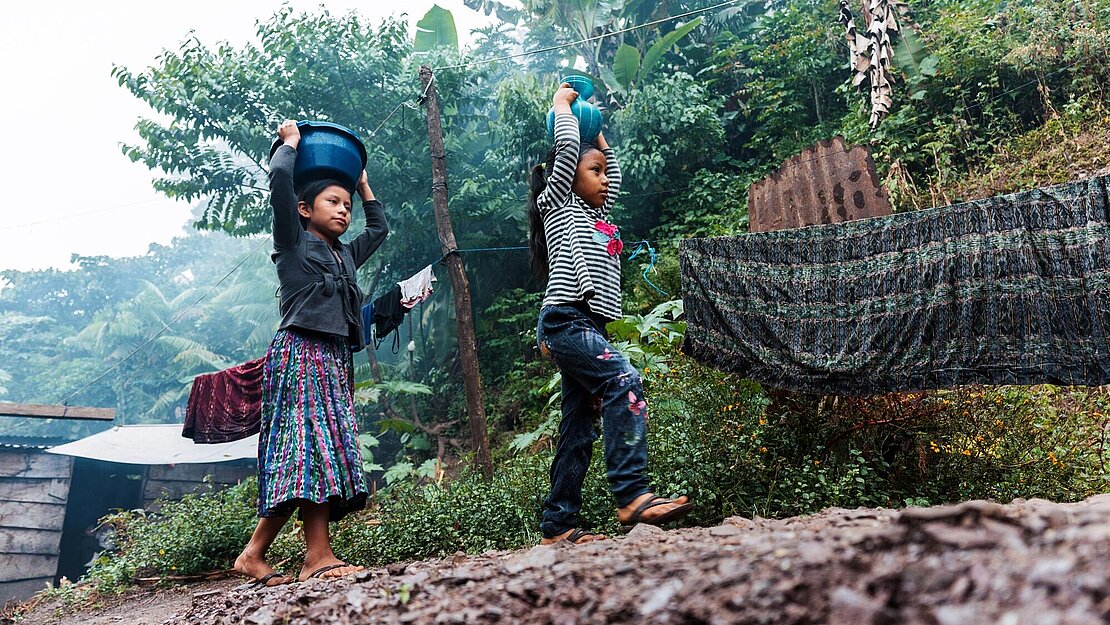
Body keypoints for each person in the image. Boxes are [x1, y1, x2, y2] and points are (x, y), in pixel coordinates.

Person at [528, 84, 693, 545]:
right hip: (565, 320)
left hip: (589, 326)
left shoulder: (601, 217)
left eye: (603, 172)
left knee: (578, 429)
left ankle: (558, 526)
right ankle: (631, 492)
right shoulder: (558, 203)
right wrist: (562, 109)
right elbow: (565, 151)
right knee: (625, 380)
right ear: (565, 177)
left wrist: (598, 138)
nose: (603, 179)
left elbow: (612, 173)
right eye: (593, 172)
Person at [234, 119, 388, 586]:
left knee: (314, 452)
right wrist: (291, 144)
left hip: (334, 358)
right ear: (303, 209)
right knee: (307, 450)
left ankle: (256, 554)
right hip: (300, 353)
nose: (344, 211)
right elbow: (281, 180)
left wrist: (361, 184)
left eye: (346, 206)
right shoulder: (293, 243)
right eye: (333, 202)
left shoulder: (344, 254)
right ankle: (316, 555)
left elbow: (378, 227)